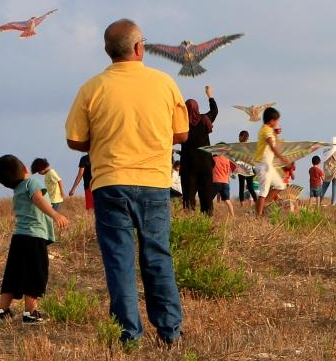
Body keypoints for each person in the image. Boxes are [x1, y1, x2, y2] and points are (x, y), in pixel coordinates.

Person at [65, 18, 188, 347]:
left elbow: (75, 140)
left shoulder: (91, 88)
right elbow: (182, 134)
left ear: (108, 51)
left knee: (119, 260)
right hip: (153, 182)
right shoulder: (164, 84)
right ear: (139, 48)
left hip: (109, 183)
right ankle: (169, 331)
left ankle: (128, 335)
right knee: (157, 255)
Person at [0, 154, 69, 323]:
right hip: (34, 238)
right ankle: (30, 312)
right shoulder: (31, 183)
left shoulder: (17, 189)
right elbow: (38, 199)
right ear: (26, 169)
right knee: (35, 273)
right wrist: (55, 214)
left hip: (19, 238)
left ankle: (2, 311)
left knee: (13, 274)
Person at [180, 86, 218, 216]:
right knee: (206, 192)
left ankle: (189, 217)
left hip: (188, 165)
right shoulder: (204, 120)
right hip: (205, 164)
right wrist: (209, 95)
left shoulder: (182, 124)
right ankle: (207, 216)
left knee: (189, 194)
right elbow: (215, 110)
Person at [254, 107, 291, 217]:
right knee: (263, 192)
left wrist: (275, 132)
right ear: (271, 121)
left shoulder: (266, 129)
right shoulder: (266, 130)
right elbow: (271, 145)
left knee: (280, 186)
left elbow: (271, 137)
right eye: (276, 120)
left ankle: (262, 206)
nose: (277, 123)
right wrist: (282, 158)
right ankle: (258, 216)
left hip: (268, 165)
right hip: (263, 164)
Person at [210, 146, 237, 218]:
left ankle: (209, 215)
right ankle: (233, 216)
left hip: (216, 181)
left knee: (209, 199)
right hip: (225, 182)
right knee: (227, 200)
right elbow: (234, 168)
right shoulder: (227, 160)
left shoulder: (213, 159)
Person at [319, 138, 336, 207]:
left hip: (327, 172)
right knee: (335, 188)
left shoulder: (325, 151)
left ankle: (319, 202)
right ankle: (333, 204)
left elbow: (323, 156)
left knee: (323, 188)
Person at [236, 130, 257, 206]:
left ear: (241, 137)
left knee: (242, 186)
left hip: (243, 168)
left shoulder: (238, 146)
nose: (239, 138)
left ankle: (242, 203)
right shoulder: (250, 146)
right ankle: (256, 201)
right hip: (248, 168)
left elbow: (236, 157)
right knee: (250, 187)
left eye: (240, 136)